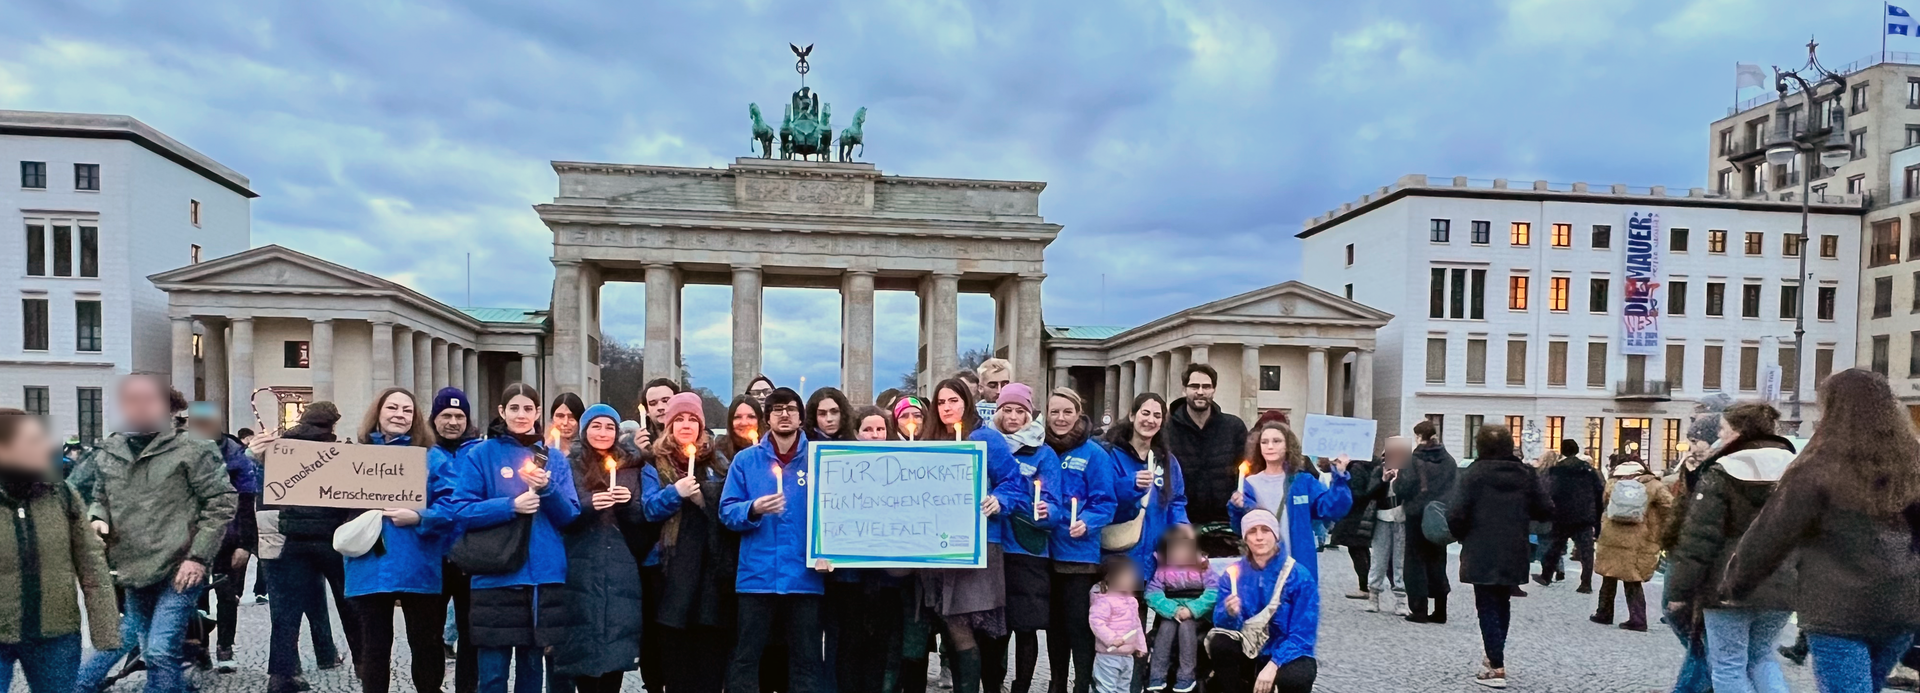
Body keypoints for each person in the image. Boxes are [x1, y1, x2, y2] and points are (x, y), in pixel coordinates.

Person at [1724, 370, 1920, 693]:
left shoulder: (1818, 467)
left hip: (1839, 610)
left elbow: (1771, 533)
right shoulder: (1911, 462)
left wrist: (1737, 583)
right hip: (1900, 607)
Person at [74, 375, 237, 693]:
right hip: (133, 566)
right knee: (143, 641)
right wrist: (97, 519)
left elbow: (221, 502)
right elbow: (100, 497)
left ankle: (86, 684)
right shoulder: (112, 450)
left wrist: (198, 557)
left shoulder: (194, 449)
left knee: (161, 648)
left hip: (181, 567)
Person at [448, 383, 582, 693]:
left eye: (528, 409)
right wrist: (510, 506)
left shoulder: (554, 459)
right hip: (496, 573)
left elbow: (569, 515)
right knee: (493, 673)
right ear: (502, 412)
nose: (521, 415)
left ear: (537, 413)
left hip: (543, 576)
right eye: (514, 408)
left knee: (531, 671)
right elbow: (461, 511)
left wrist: (548, 489)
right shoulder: (481, 454)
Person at [1665, 402, 1796, 693]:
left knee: (1728, 663)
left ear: (1738, 432)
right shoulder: (1796, 468)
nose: (1719, 437)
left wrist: (1679, 591)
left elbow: (1699, 539)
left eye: (1723, 430)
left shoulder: (1724, 470)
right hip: (1782, 579)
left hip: (1728, 582)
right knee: (1762, 657)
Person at [0, 408, 119, 693]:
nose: (48, 446)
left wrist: (105, 632)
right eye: (34, 440)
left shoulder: (61, 494)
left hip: (55, 635)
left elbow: (92, 566)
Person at [346, 388, 454, 693]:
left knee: (425, 643)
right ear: (378, 413)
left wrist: (420, 517)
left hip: (418, 561)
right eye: (392, 407)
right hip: (370, 563)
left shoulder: (432, 458)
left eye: (407, 410)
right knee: (375, 647)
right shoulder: (354, 455)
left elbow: (452, 506)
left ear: (415, 418)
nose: (399, 414)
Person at [721, 387, 827, 693]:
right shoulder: (746, 461)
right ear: (767, 418)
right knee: (746, 657)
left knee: (806, 659)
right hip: (757, 575)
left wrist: (830, 547)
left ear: (801, 417)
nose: (784, 414)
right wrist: (752, 508)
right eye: (777, 409)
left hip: (805, 575)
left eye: (791, 409)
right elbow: (726, 510)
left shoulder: (820, 459)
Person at [922, 377, 1025, 693]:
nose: (947, 407)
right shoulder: (930, 442)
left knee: (972, 627)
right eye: (940, 402)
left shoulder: (987, 439)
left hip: (980, 545)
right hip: (939, 548)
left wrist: (999, 500)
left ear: (966, 402)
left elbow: (1013, 482)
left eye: (953, 400)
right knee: (952, 627)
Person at [258, 403, 368, 690]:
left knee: (285, 613)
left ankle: (281, 675)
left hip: (293, 538)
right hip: (333, 537)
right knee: (352, 605)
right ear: (332, 425)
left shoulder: (281, 450)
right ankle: (365, 665)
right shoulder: (340, 451)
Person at [644, 393, 739, 693]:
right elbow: (647, 509)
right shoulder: (653, 463)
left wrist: (704, 499)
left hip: (711, 574)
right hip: (671, 574)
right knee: (678, 665)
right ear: (668, 425)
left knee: (710, 662)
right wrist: (675, 493)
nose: (686, 425)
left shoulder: (718, 461)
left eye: (692, 420)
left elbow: (728, 505)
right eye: (679, 419)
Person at [1448, 424, 1553, 689]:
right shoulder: (1526, 474)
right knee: (1502, 601)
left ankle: (1496, 665)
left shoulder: (1474, 474)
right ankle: (1494, 656)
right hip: (1514, 545)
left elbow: (1457, 512)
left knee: (1486, 604)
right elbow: (1545, 508)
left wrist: (1461, 533)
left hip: (1481, 545)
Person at [552, 403, 645, 693]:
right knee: (583, 648)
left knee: (615, 649)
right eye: (596, 426)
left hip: (620, 567)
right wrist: (589, 506)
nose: (603, 432)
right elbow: (561, 513)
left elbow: (642, 520)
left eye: (609, 427)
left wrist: (628, 502)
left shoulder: (632, 465)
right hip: (580, 564)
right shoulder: (570, 464)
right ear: (585, 430)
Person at [1041, 388, 1116, 693]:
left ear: (1078, 414)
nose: (1060, 418)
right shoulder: (1041, 449)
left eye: (1067, 412)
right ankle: (1057, 682)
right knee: (1054, 629)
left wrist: (1087, 522)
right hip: (1046, 552)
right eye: (1054, 412)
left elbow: (1106, 502)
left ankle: (1082, 683)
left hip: (1079, 556)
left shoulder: (1094, 453)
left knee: (1079, 628)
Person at [989, 383, 1061, 693]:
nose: (1014, 416)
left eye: (1021, 411)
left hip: (1028, 549)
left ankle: (1022, 685)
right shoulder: (987, 445)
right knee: (995, 626)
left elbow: (1054, 502)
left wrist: (1046, 511)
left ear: (1029, 415)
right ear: (999, 411)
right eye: (1008, 409)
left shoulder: (1043, 453)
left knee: (1026, 626)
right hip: (995, 546)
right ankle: (992, 683)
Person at [1205, 509, 1318, 693]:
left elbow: (1303, 634)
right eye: (1252, 531)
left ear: (1275, 535)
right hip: (1250, 643)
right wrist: (1230, 613)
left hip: (1287, 648)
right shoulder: (1233, 574)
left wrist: (1274, 664)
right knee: (1220, 643)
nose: (1259, 537)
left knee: (1296, 677)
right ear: (1245, 538)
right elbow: (1222, 625)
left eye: (1265, 530)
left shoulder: (1299, 577)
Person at [1228, 421, 1353, 582]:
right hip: (1262, 566)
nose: (1269, 446)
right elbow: (1240, 528)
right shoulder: (1249, 485)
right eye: (1264, 442)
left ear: (1288, 445)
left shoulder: (1303, 482)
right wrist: (1236, 508)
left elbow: (1332, 509)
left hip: (1297, 563)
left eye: (1276, 441)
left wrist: (1340, 477)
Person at [185, 404, 258, 673]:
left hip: (230, 538)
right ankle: (200, 647)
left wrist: (245, 544)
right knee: (196, 597)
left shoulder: (237, 456)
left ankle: (225, 647)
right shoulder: (183, 453)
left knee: (228, 596)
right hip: (192, 539)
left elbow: (247, 503)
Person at [429, 387, 483, 693]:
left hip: (469, 556)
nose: (453, 422)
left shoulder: (478, 452)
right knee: (430, 634)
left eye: (459, 415)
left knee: (470, 634)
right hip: (432, 556)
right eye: (446, 415)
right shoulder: (421, 452)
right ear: (435, 418)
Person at [1105, 393, 1190, 579]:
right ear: (1132, 415)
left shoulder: (1168, 461)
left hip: (1155, 557)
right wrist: (1131, 484)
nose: (1150, 420)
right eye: (1145, 413)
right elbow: (1104, 496)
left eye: (1157, 416)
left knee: (1150, 606)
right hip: (1120, 555)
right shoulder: (1110, 454)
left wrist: (1182, 529)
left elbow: (1176, 501)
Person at [1589, 458, 1672, 633]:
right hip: (1639, 536)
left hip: (1612, 535)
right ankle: (1638, 619)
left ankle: (1603, 612)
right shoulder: (1654, 485)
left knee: (1608, 574)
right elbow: (1669, 506)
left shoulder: (1613, 482)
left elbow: (1604, 503)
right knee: (1632, 578)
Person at [1162, 364, 1249, 527]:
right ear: (1184, 390)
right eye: (1194, 386)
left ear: (1214, 390)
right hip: (1180, 522)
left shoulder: (1233, 427)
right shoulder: (1166, 429)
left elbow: (1247, 468)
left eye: (1206, 387)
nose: (1200, 392)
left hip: (1225, 521)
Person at [1393, 419, 1457, 624]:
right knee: (1438, 560)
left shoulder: (1413, 459)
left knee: (1415, 561)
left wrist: (1396, 481)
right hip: (1439, 514)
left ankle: (1419, 610)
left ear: (1419, 437)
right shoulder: (1449, 460)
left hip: (1416, 514)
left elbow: (1402, 488)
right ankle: (1440, 610)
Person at [1144, 531, 1214, 692]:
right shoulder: (1164, 569)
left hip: (1199, 613)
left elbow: (1214, 591)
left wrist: (1192, 609)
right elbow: (1152, 593)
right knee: (1166, 627)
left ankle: (1186, 676)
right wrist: (1173, 610)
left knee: (1186, 626)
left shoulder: (1203, 566)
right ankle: (1156, 676)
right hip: (1173, 611)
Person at [1536, 440, 1601, 592]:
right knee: (1586, 551)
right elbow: (1599, 494)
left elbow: (1550, 492)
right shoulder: (1589, 470)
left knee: (1555, 547)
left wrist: (1550, 511)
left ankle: (1546, 576)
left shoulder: (1557, 470)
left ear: (1563, 451)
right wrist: (1597, 520)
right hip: (1584, 516)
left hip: (1562, 514)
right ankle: (1586, 583)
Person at [1359, 436, 1411, 616]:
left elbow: (1411, 492)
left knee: (1401, 560)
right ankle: (1373, 595)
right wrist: (1383, 479)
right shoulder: (1377, 471)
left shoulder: (1408, 471)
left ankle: (1401, 600)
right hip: (1381, 517)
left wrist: (1399, 479)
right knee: (1379, 559)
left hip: (1401, 518)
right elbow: (1369, 493)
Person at [1088, 556, 1147, 693]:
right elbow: (1096, 622)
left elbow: (1136, 625)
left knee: (1123, 688)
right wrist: (1111, 639)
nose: (1132, 579)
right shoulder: (1104, 600)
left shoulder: (1132, 601)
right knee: (1106, 688)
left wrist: (1140, 645)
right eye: (1127, 576)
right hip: (1108, 655)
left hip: (1127, 655)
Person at [1327, 451, 1377, 599]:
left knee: (1356, 550)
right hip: (1363, 514)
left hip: (1354, 515)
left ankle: (1365, 586)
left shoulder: (1355, 469)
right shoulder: (1366, 465)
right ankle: (1368, 584)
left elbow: (1356, 493)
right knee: (1361, 549)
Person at [720, 395, 763, 459]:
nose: (744, 423)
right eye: (738, 417)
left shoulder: (772, 449)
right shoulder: (718, 455)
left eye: (751, 417)